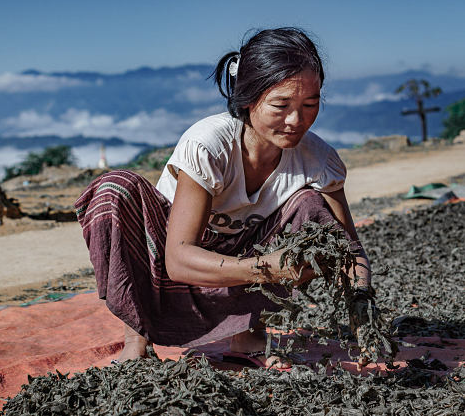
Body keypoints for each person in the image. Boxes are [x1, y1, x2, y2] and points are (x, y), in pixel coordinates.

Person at [75, 27, 371, 368]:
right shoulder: (208, 146)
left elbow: (350, 248)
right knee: (114, 189)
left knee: (310, 206)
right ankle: (136, 338)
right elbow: (178, 259)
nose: (296, 120)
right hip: (172, 272)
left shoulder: (320, 160)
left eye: (310, 104)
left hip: (245, 273)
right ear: (246, 98)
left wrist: (364, 319)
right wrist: (263, 269)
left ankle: (249, 332)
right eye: (281, 105)